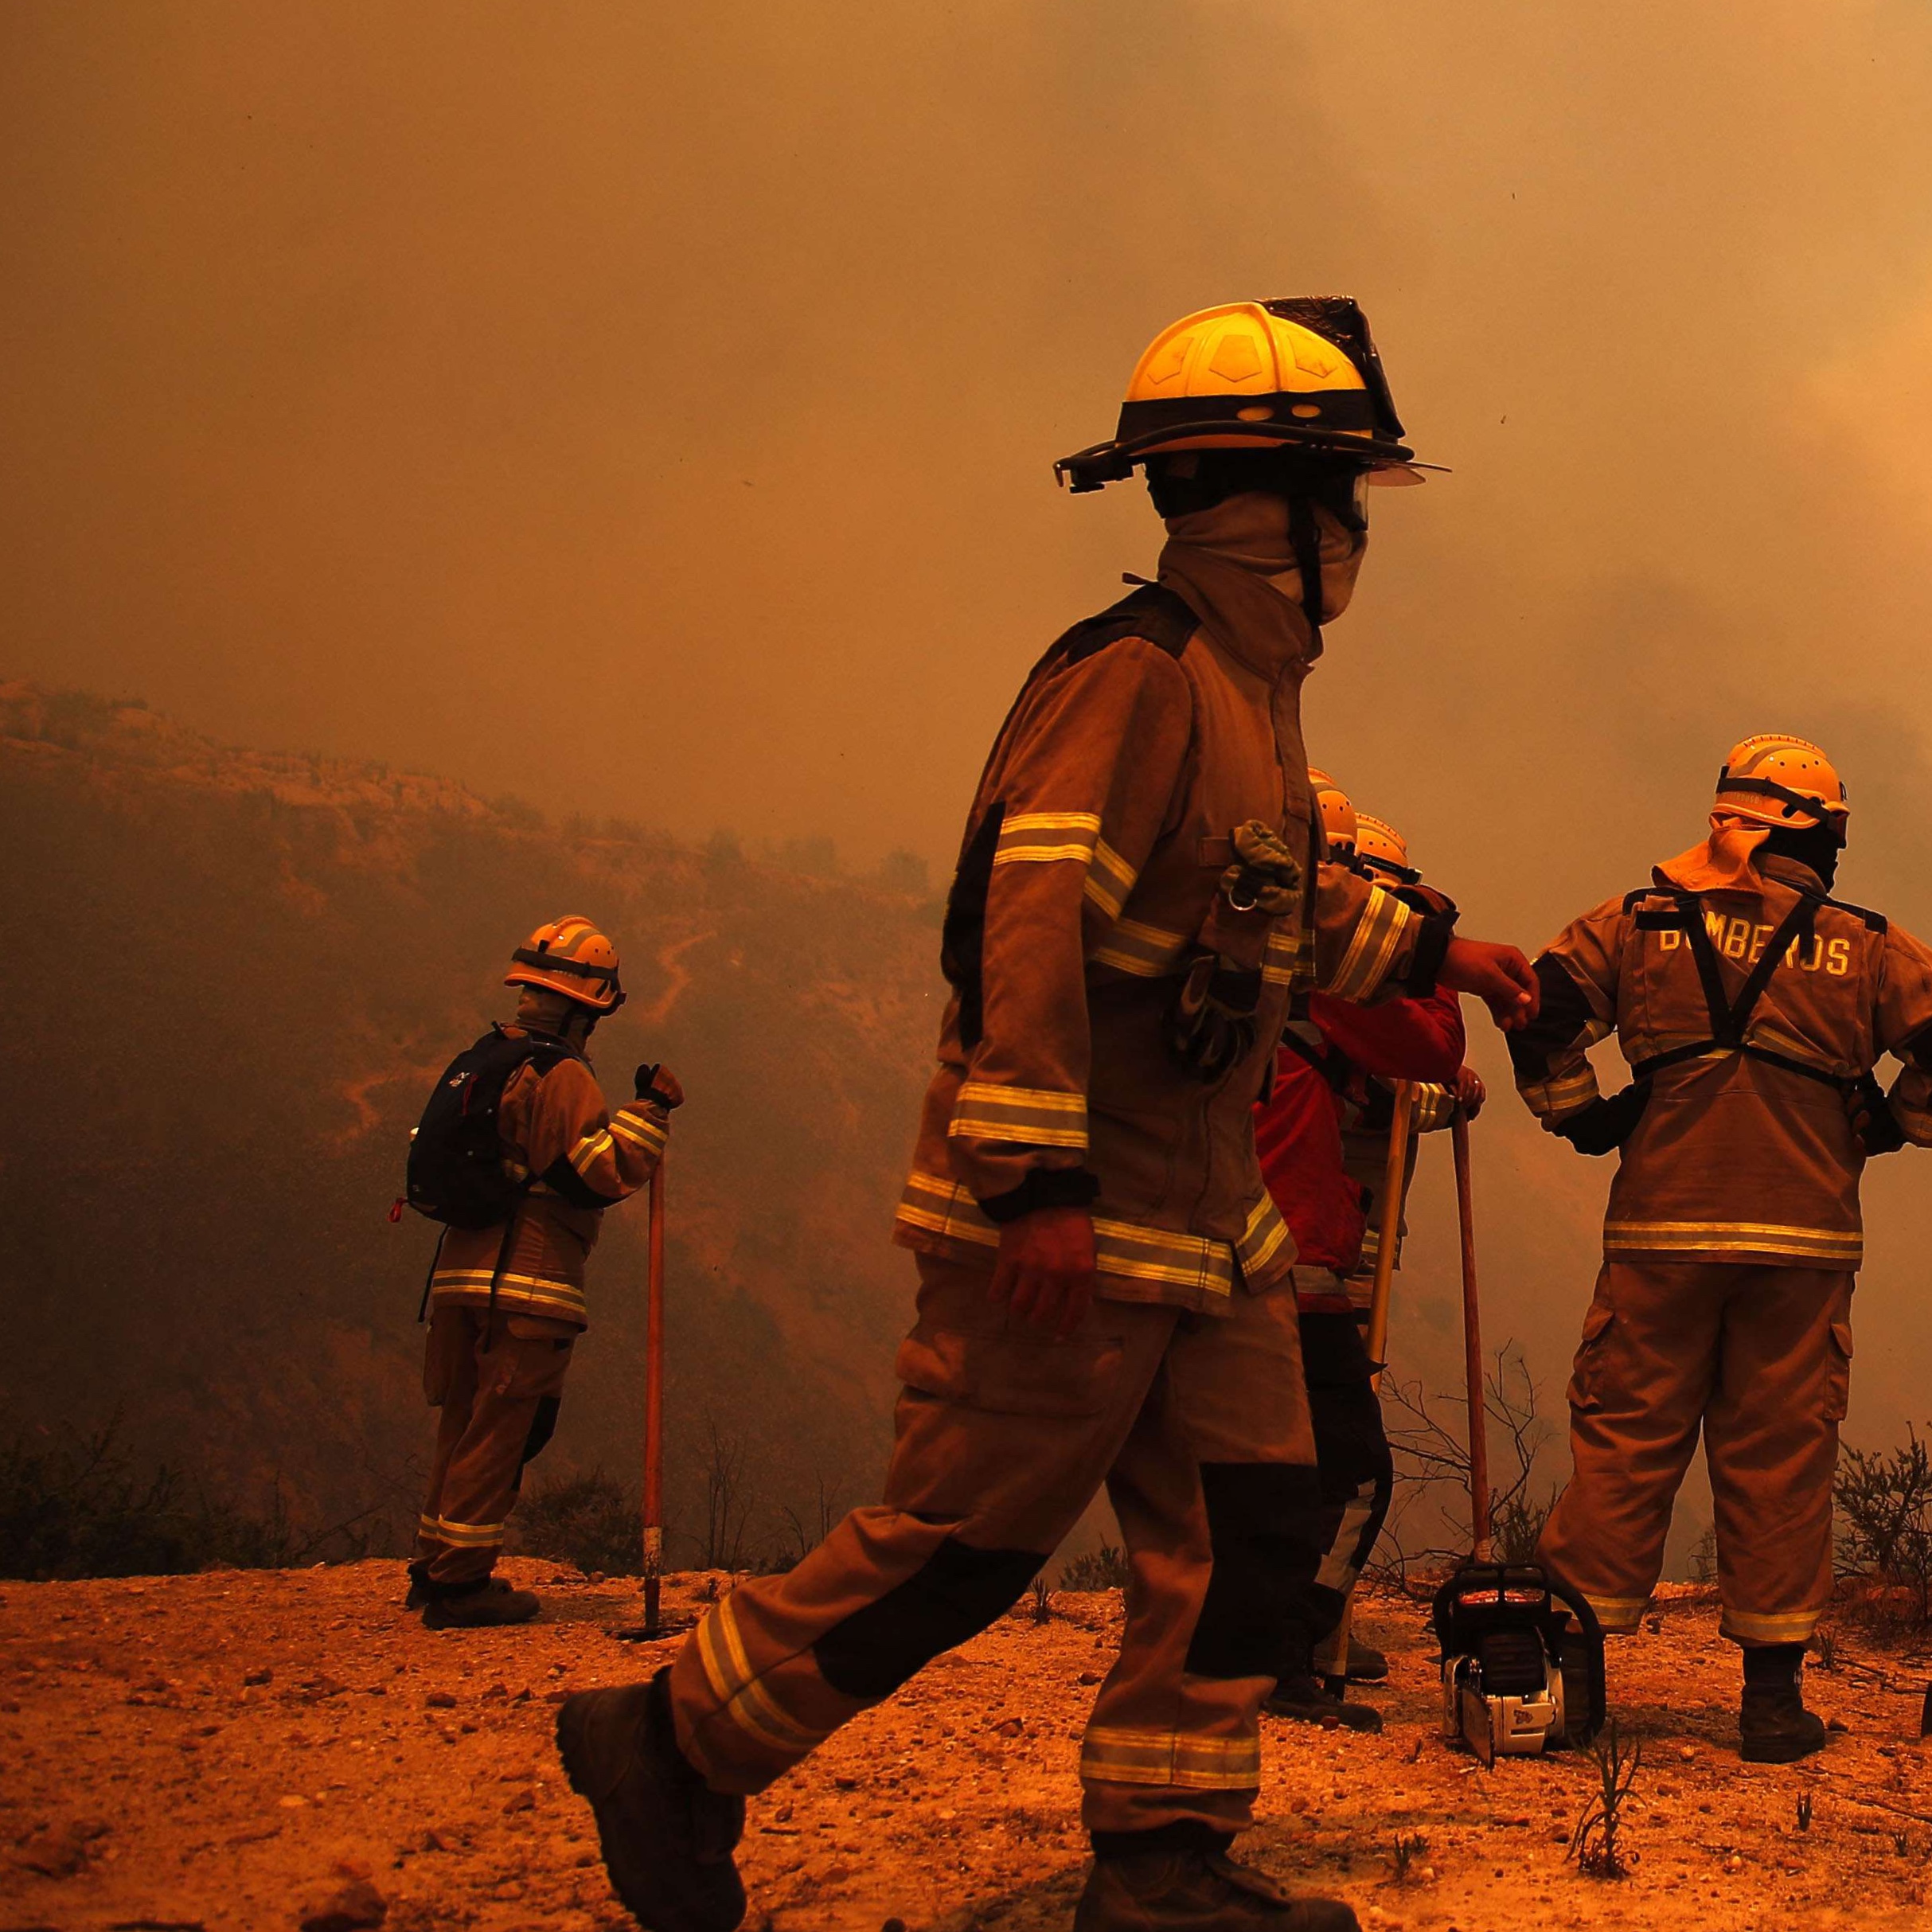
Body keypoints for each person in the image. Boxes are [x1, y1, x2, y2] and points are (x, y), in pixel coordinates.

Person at [556, 298, 1536, 1932]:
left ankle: (1160, 1860)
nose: (1356, 537)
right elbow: (1025, 923)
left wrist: (1452, 957)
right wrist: (1032, 1186)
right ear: (1265, 504)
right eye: (1341, 498)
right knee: (964, 1538)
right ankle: (672, 1741)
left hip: (1206, 1223)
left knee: (1249, 1528)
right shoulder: (1134, 677)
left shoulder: (1250, 693)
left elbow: (1265, 912)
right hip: (1079, 1212)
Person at [1509, 736, 1932, 1761]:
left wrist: (1585, 1115)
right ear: (1811, 832)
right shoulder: (1871, 947)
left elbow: (1537, 1007)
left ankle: (1575, 1690)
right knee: (1782, 1455)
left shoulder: (1637, 923)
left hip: (1659, 1236)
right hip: (1805, 1245)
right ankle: (1772, 1706)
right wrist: (1892, 1122)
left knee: (1625, 1441)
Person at [1253, 796, 1473, 1728]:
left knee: (1232, 1462)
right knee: (1347, 1469)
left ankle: (1225, 1636)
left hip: (1242, 1251)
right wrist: (1427, 952)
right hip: (1296, 1263)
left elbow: (1378, 1087)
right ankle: (1284, 1650)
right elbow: (1425, 1050)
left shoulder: (1235, 958)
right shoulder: (1330, 975)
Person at [410, 915, 682, 1629]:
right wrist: (650, 1112)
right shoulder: (558, 1073)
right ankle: (462, 1584)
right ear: (585, 1007)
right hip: (527, 1283)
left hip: (460, 1273)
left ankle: (433, 1564)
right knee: (502, 1429)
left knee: (463, 1421)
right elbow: (595, 1171)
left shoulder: (489, 1058)